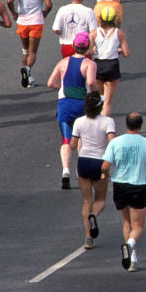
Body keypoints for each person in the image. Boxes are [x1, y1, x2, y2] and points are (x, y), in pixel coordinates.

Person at [101, 112, 146, 272]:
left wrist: (106, 176)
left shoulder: (116, 142)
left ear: (126, 125)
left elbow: (105, 166)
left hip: (119, 185)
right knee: (138, 226)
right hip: (138, 185)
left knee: (127, 222)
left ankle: (132, 259)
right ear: (140, 125)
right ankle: (129, 245)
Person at [47, 31, 97, 189]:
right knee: (82, 137)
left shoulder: (63, 62)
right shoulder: (90, 64)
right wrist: (96, 94)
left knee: (66, 140)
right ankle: (80, 170)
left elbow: (50, 83)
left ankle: (65, 171)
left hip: (65, 104)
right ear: (87, 47)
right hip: (82, 104)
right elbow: (90, 82)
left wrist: (61, 87)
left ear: (73, 46)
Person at [70, 92, 115, 249]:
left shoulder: (79, 122)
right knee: (101, 199)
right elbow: (112, 143)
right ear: (100, 106)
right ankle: (93, 216)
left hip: (83, 162)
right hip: (100, 162)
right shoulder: (108, 122)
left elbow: (73, 145)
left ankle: (88, 237)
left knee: (87, 201)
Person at [7, 0, 52, 88]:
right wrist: (45, 13)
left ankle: (28, 77)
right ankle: (27, 69)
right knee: (33, 52)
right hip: (36, 22)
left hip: (22, 21)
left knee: (25, 49)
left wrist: (14, 13)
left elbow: (9, 1)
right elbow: (49, 4)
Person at [90, 7, 129, 116]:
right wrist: (118, 50)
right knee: (107, 102)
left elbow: (89, 51)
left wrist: (94, 50)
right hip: (112, 65)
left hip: (98, 65)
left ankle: (97, 119)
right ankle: (105, 125)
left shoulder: (94, 32)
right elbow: (127, 54)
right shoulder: (119, 33)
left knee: (100, 97)